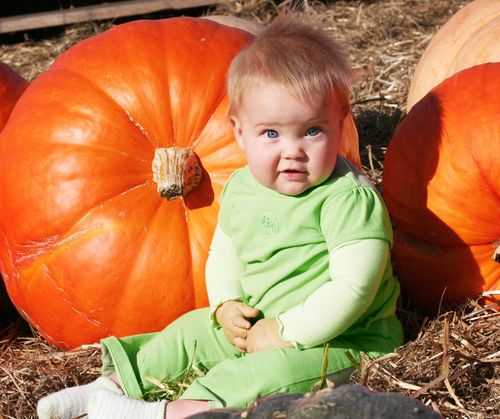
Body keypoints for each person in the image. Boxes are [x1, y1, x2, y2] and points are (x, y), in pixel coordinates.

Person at [37, 15, 404, 419]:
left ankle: (160, 413)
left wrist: (286, 333)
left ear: (340, 123)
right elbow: (224, 252)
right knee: (189, 333)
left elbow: (354, 288)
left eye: (312, 131)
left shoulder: (347, 199)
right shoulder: (244, 187)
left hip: (342, 341)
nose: (292, 150)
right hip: (260, 320)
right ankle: (108, 388)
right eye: (271, 134)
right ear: (239, 131)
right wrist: (226, 305)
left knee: (266, 377)